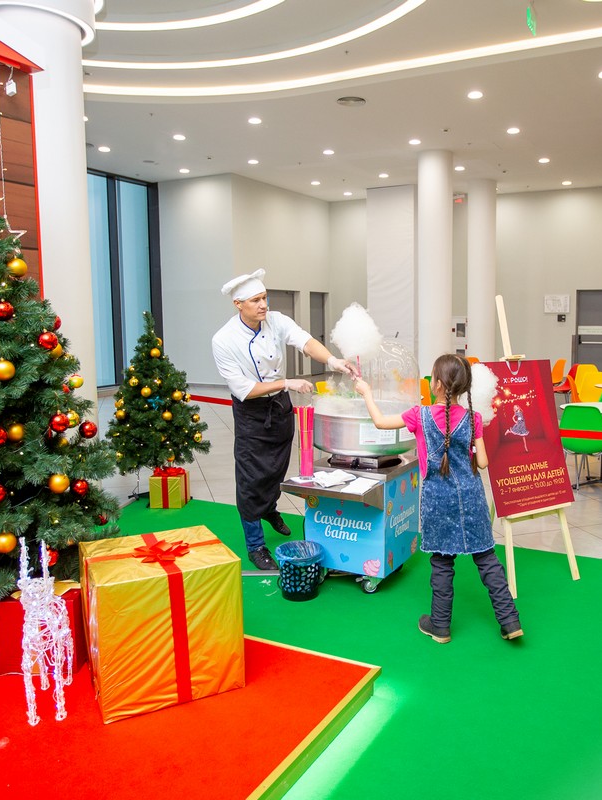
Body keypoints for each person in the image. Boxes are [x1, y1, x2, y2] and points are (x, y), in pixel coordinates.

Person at [354, 354, 522, 643]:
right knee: (486, 558)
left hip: (437, 501)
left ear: (439, 385)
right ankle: (510, 621)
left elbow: (380, 422)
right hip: (471, 497)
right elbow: (482, 463)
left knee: (442, 562)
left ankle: (440, 626)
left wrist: (367, 392)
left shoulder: (418, 415)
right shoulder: (473, 418)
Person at [211, 269, 357, 572]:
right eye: (256, 300)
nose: (264, 305)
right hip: (251, 410)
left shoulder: (276, 321)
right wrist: (286, 383)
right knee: (251, 476)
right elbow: (244, 389)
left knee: (276, 466)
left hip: (279, 406)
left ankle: (269, 508)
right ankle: (255, 545)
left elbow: (306, 342)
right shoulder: (223, 339)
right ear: (238, 304)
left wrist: (333, 361)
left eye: (265, 297)